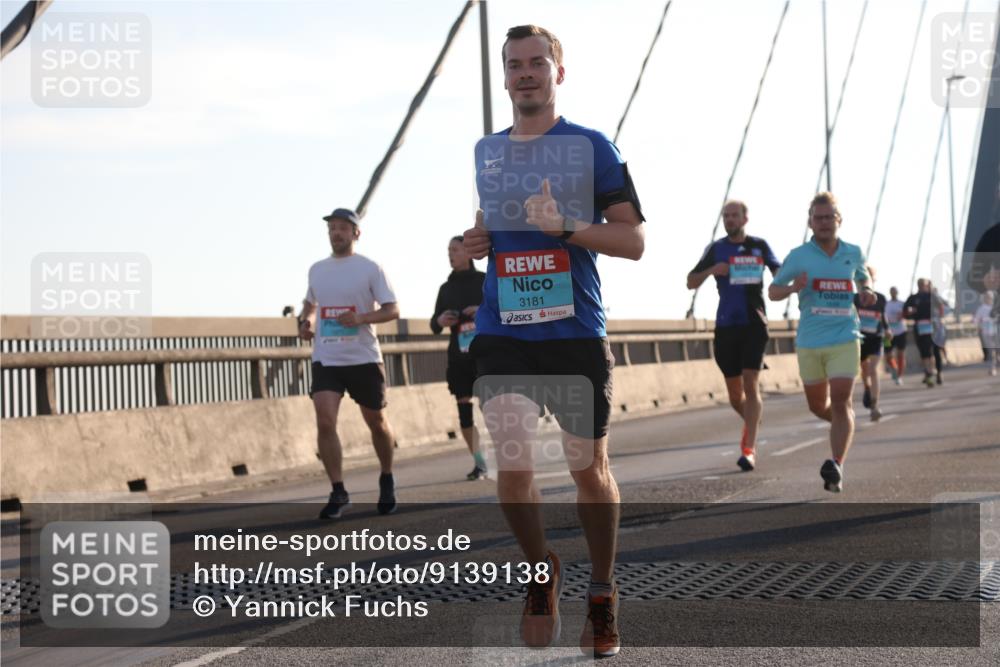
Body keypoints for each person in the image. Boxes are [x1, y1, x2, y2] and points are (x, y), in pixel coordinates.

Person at [463, 24, 645, 658]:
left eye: (537, 63)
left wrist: (567, 226)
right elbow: (489, 225)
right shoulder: (488, 150)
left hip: (573, 333)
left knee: (586, 471)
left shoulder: (592, 147)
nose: (525, 74)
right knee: (513, 471)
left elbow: (633, 241)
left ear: (558, 73)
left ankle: (601, 589)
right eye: (514, 65)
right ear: (505, 77)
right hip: (502, 331)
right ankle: (541, 572)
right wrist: (470, 245)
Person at [298, 208, 400, 519]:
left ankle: (386, 476)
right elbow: (310, 303)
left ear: (356, 233)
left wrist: (361, 318)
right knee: (325, 422)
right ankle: (338, 491)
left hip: (363, 357)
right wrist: (306, 322)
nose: (336, 233)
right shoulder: (317, 269)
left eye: (343, 228)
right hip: (326, 357)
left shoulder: (370, 268)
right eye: (332, 228)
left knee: (377, 423)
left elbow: (392, 309)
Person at [768, 192, 874, 493]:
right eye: (819, 218)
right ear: (810, 222)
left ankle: (836, 464)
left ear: (838, 220)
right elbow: (773, 292)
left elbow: (864, 278)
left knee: (841, 401)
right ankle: (844, 426)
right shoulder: (798, 255)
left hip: (845, 337)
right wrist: (793, 287)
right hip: (811, 341)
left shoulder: (853, 252)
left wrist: (867, 290)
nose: (825, 223)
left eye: (830, 217)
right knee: (819, 406)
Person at [687, 200, 781, 472]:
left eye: (734, 216)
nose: (729, 220)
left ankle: (748, 449)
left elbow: (778, 272)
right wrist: (711, 271)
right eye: (726, 216)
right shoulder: (716, 249)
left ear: (745, 218)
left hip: (754, 323)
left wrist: (787, 281)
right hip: (726, 325)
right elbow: (690, 281)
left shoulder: (759, 246)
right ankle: (753, 421)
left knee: (751, 384)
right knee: (734, 395)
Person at [430, 236, 488, 480]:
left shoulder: (484, 280)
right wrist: (441, 320)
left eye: (454, 249)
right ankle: (480, 462)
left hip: (485, 354)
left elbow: (504, 310)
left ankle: (507, 457)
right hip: (458, 359)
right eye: (448, 250)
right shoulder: (446, 288)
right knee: (465, 413)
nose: (450, 254)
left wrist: (481, 311)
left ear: (467, 252)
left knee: (493, 409)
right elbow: (434, 325)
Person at [853, 266, 888, 421]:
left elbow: (883, 316)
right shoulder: (854, 298)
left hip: (876, 338)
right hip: (859, 339)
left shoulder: (880, 298)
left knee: (873, 369)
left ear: (873, 280)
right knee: (864, 371)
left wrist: (887, 329)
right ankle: (867, 387)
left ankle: (874, 406)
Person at [903, 279, 939, 387]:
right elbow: (905, 311)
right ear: (918, 285)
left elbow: (942, 307)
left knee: (930, 351)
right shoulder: (913, 298)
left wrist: (938, 317)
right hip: (919, 327)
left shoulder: (932, 296)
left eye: (924, 284)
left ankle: (931, 371)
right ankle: (928, 372)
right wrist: (910, 312)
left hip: (931, 326)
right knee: (923, 352)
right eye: (920, 284)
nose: (922, 286)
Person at [883, 286, 907, 385]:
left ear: (897, 293)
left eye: (895, 292)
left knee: (900, 354)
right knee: (888, 355)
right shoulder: (886, 304)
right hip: (888, 333)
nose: (893, 293)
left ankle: (899, 376)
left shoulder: (902, 304)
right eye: (892, 292)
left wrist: (903, 315)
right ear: (890, 293)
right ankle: (894, 368)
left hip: (901, 332)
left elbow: (907, 314)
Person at [973, 291, 998, 375]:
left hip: (996, 332)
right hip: (986, 333)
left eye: (990, 298)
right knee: (991, 352)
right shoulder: (981, 308)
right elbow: (976, 320)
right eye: (987, 297)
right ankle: (992, 368)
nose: (989, 299)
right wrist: (978, 322)